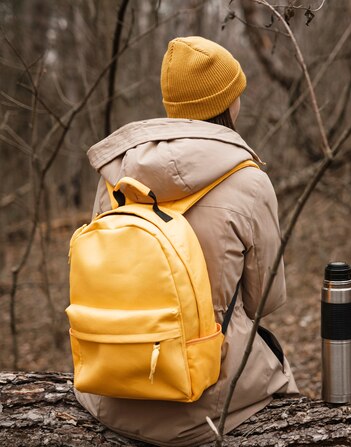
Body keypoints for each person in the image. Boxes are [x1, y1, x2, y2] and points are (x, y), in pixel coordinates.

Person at [74, 36, 298, 447]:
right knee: (276, 366)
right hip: (204, 403)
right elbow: (264, 301)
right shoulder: (249, 181)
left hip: (108, 390)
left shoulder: (115, 172)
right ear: (228, 102)